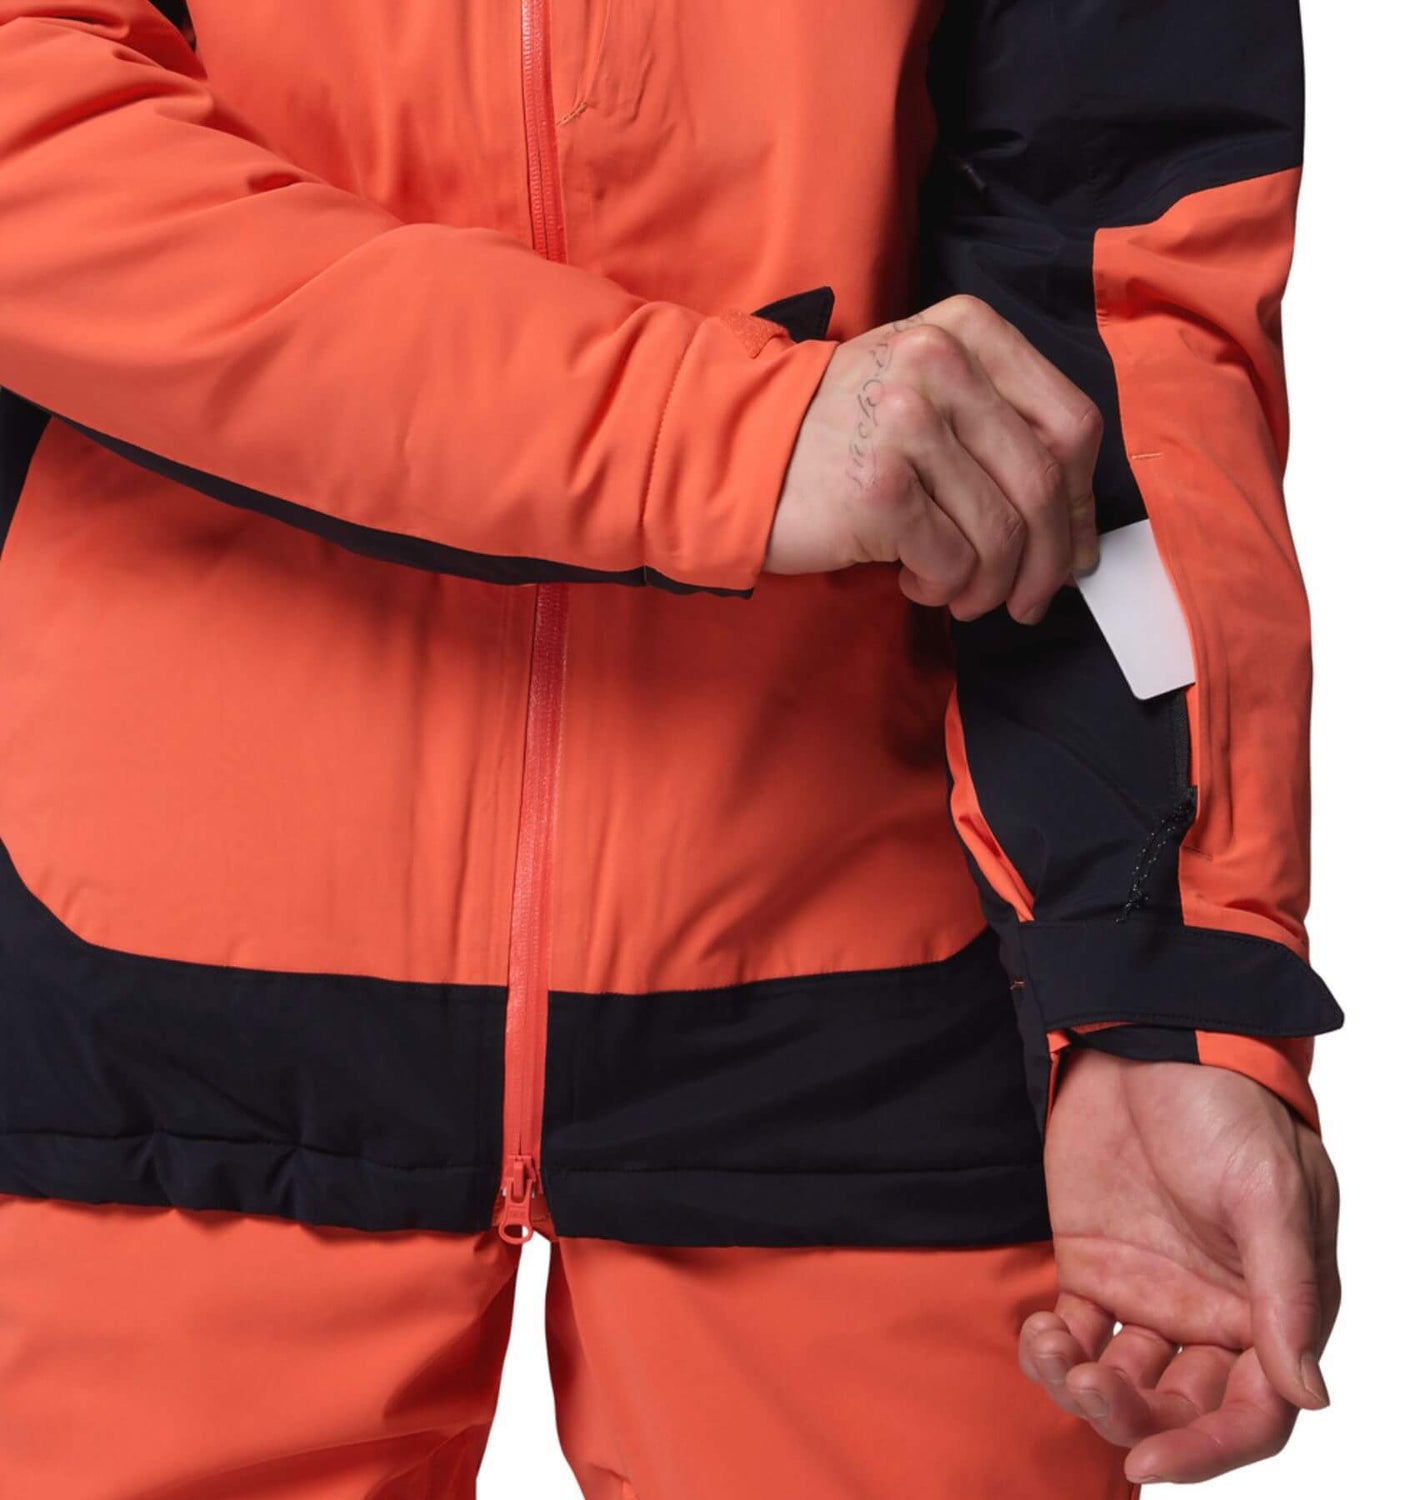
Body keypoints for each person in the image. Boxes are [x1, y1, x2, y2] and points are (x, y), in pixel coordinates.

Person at [0, 0, 1341, 1494]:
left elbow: (1121, 309)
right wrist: (711, 438)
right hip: (144, 1001)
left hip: (864, 980)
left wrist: (1160, 974)